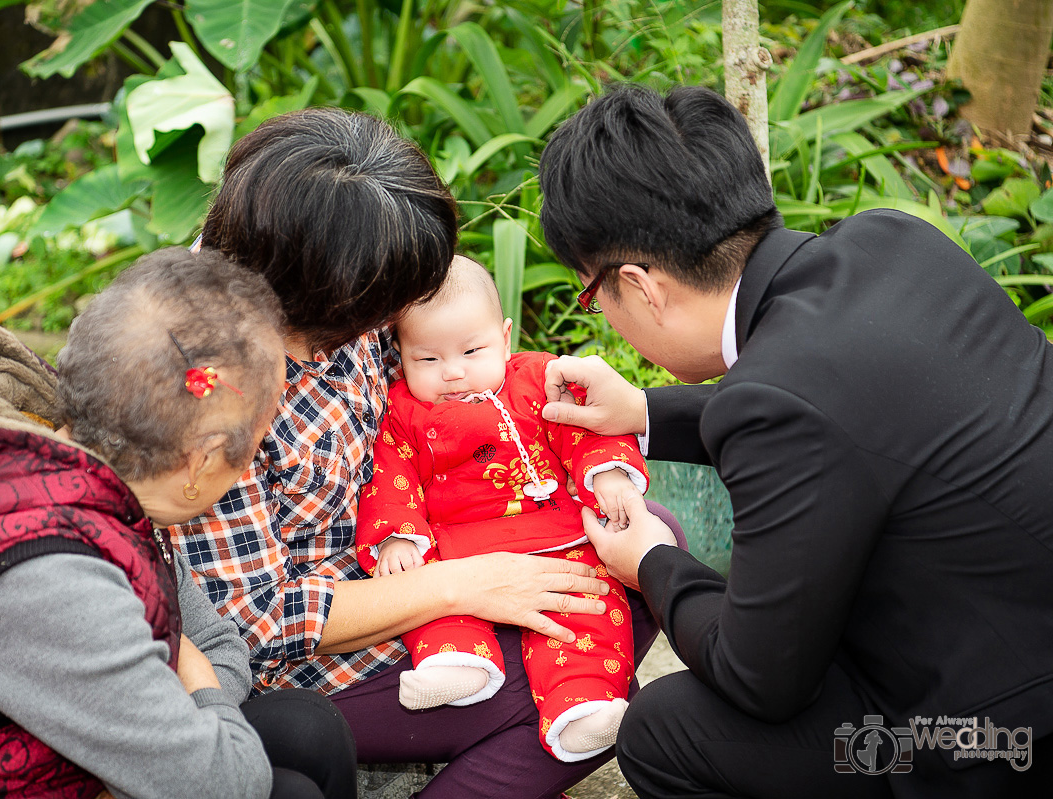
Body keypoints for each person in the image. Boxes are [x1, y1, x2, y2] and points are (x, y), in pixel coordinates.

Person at [535, 83, 1053, 798]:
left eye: (593, 294)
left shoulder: (777, 405)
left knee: (666, 728)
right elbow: (840, 409)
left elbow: (760, 680)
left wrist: (650, 560)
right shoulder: (894, 241)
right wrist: (643, 411)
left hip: (990, 741)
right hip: (1012, 633)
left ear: (641, 286)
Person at [170, 107, 686, 799]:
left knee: (642, 548)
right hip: (319, 655)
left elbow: (448, 377)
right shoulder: (203, 389)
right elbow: (256, 621)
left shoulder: (324, 270)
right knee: (569, 683)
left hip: (423, 542)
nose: (388, 325)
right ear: (326, 298)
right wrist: (466, 583)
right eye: (381, 311)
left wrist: (542, 401)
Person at [0, 248, 356, 799]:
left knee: (309, 728)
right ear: (201, 460)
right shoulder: (51, 580)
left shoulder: (89, 467)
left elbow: (216, 641)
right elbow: (224, 786)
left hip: (44, 760)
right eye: (257, 443)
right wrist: (188, 679)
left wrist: (184, 688)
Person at [355, 256, 649, 762]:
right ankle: (456, 664)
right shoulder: (404, 412)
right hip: (458, 551)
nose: (453, 372)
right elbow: (390, 477)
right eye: (427, 359)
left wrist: (611, 474)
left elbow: (581, 431)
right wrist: (398, 536)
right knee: (427, 597)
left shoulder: (538, 380)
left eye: (472, 351)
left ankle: (586, 706)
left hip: (558, 540)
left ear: (505, 337)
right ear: (399, 355)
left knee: (588, 609)